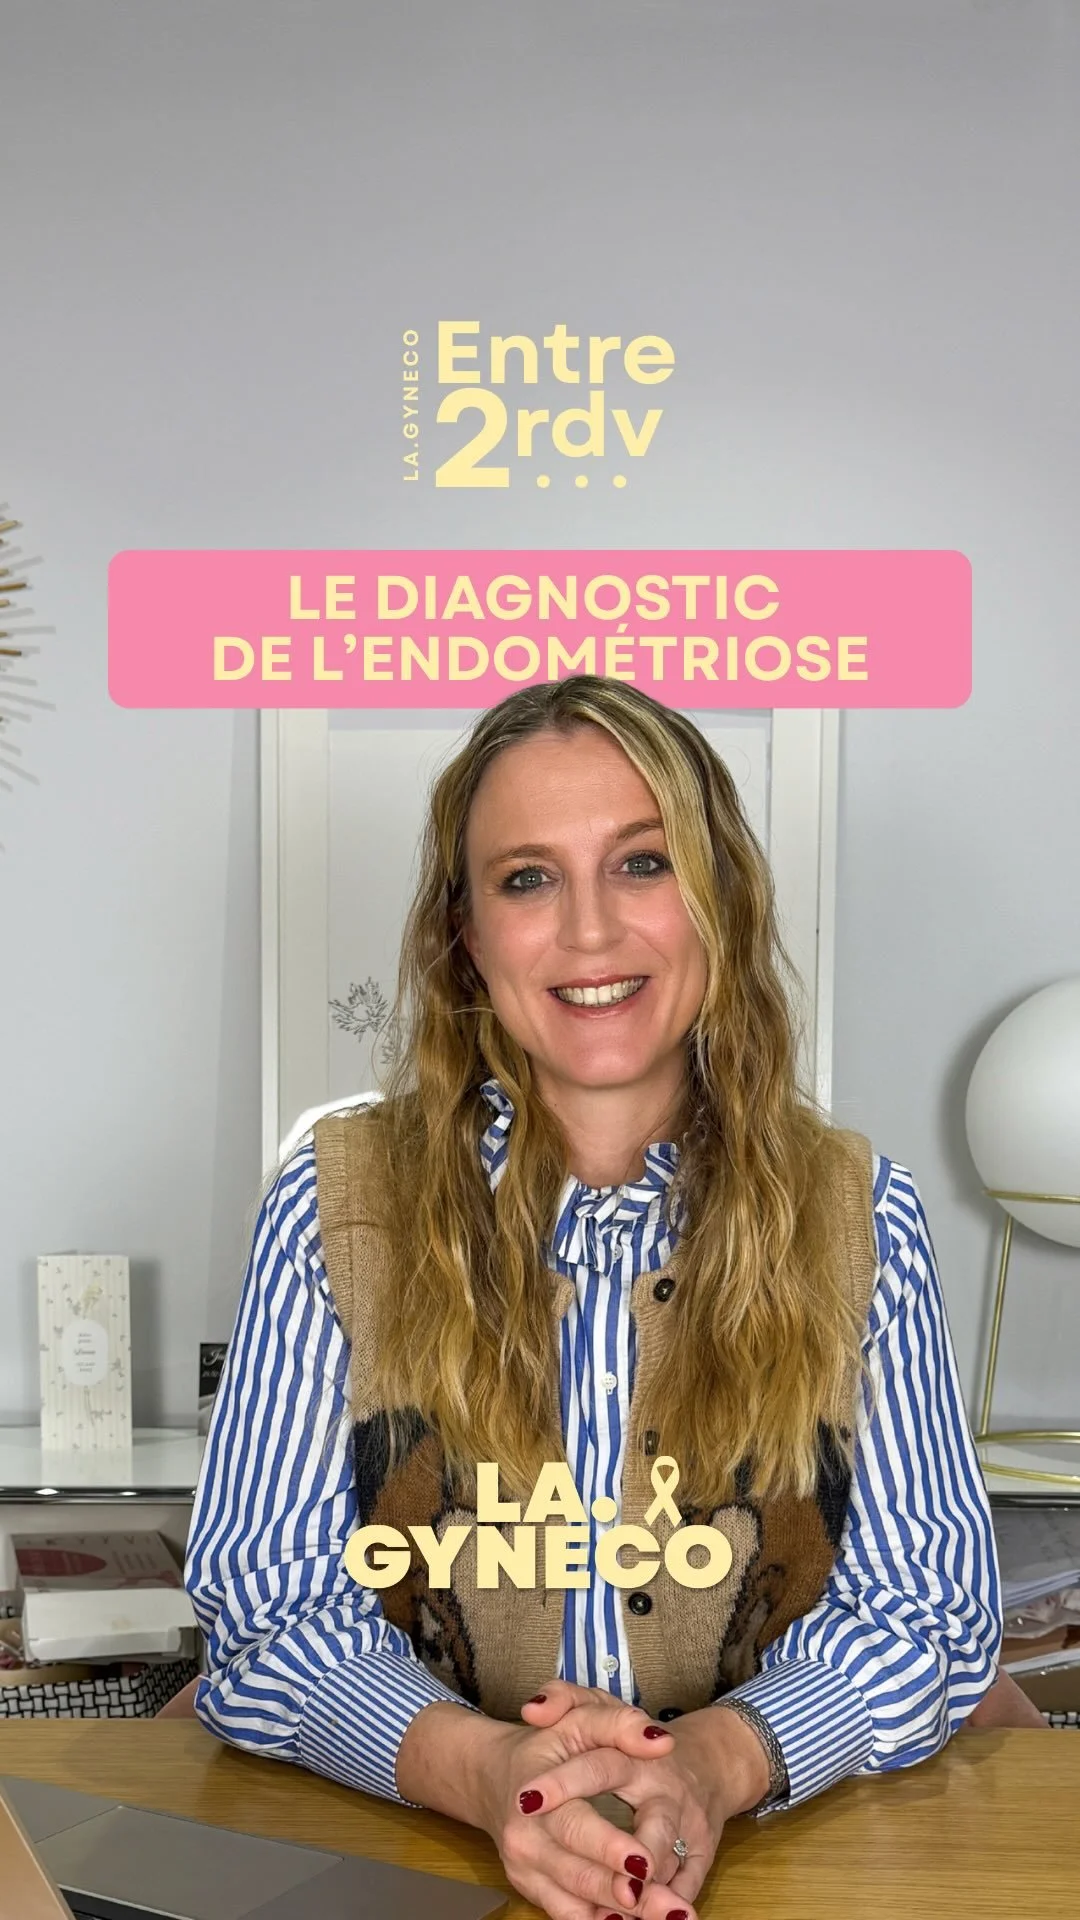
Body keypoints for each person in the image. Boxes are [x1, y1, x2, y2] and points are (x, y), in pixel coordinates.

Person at [185, 676, 1009, 1920]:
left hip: (780, 1873)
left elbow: (930, 1614)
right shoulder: (330, 1207)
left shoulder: (863, 1217)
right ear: (467, 935)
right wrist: (491, 1775)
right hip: (418, 1869)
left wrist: (715, 1766)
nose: (589, 931)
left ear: (721, 897)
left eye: (642, 863)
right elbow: (267, 1608)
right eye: (527, 879)